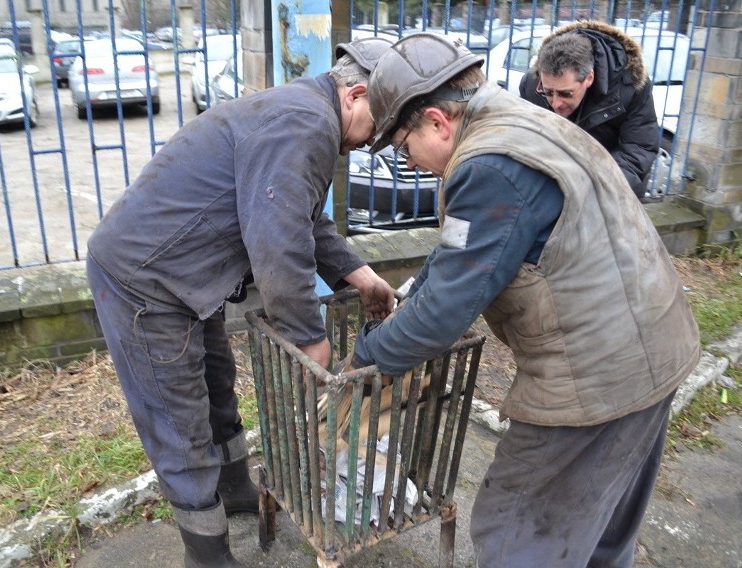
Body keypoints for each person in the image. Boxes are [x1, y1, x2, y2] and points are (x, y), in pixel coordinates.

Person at [352, 33, 700, 567]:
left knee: (516, 528)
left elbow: (445, 311)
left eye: (404, 147)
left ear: (438, 121)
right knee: (600, 529)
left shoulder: (489, 167)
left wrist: (366, 358)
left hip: (597, 381)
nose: (412, 162)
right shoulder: (519, 119)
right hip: (656, 347)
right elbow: (458, 258)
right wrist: (407, 296)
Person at [85, 37, 395, 567]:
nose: (376, 144)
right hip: (146, 282)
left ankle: (232, 492)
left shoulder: (306, 113)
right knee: (179, 419)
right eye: (380, 126)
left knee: (215, 387)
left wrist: (359, 275)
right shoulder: (306, 123)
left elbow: (299, 216)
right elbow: (279, 240)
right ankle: (206, 554)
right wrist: (308, 335)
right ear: (356, 94)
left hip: (183, 277)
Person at [518, 21, 660, 200]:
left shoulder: (630, 87)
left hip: (613, 191)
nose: (555, 103)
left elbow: (638, 150)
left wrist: (589, 187)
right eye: (548, 92)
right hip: (552, 187)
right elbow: (525, 141)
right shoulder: (532, 84)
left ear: (589, 78)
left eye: (566, 93)